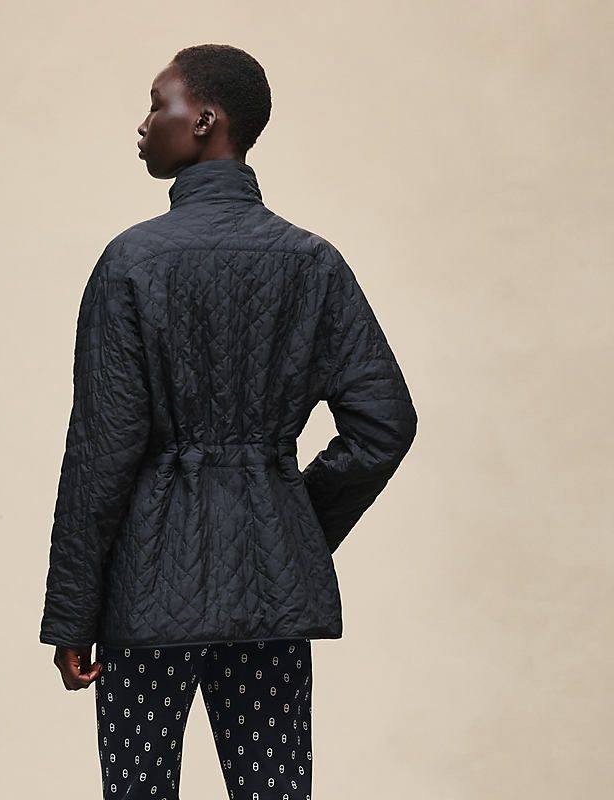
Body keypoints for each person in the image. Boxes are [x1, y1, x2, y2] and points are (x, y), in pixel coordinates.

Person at [39, 43, 418, 800]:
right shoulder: (312, 262)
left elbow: (101, 453)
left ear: (205, 120)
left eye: (159, 104)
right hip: (269, 593)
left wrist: (72, 616)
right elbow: (384, 424)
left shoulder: (131, 262)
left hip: (146, 595)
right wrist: (289, 521)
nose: (144, 123)